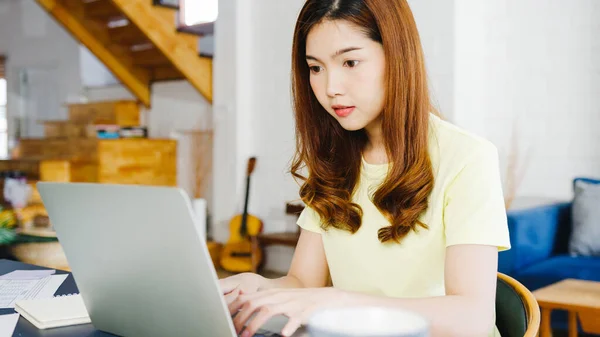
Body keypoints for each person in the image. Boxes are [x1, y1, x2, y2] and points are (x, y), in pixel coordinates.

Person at [219, 0, 511, 336]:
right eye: (315, 68)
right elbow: (302, 281)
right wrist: (253, 288)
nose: (331, 88)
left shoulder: (467, 158)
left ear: (397, 57)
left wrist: (341, 300)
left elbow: (471, 317)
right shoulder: (333, 162)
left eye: (350, 62)